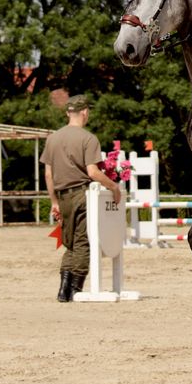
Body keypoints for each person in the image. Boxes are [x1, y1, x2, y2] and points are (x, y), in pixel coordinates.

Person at [41, 94, 123, 302]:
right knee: (83, 242)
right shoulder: (88, 139)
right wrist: (113, 187)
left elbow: (48, 175)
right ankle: (75, 288)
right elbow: (93, 172)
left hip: (62, 196)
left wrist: (54, 202)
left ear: (68, 113)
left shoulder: (52, 139)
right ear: (85, 112)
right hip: (82, 195)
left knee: (69, 243)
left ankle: (63, 289)